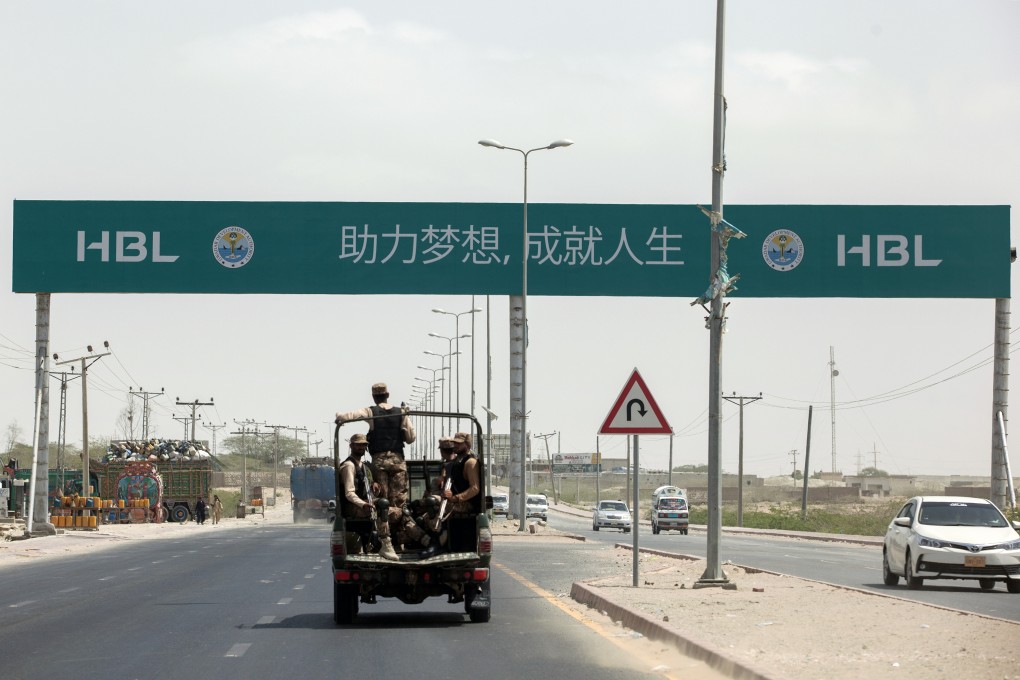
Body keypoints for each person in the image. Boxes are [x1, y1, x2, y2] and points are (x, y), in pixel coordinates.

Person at [336, 382, 416, 547]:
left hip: (379, 461)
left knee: (382, 503)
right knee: (399, 505)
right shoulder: (401, 412)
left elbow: (349, 416)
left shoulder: (370, 411)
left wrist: (340, 416)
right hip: (398, 461)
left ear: (374, 396)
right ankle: (400, 542)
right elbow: (410, 439)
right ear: (388, 395)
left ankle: (384, 542)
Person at [338, 433, 396, 560]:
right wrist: (362, 504)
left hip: (365, 503)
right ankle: (385, 544)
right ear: (351, 446)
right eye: (358, 445)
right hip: (352, 506)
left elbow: (369, 489)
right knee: (382, 504)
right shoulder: (349, 466)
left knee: (398, 512)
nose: (361, 447)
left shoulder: (364, 466)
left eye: (364, 445)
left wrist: (375, 485)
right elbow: (349, 493)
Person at [444, 432, 480, 515]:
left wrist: (456, 498)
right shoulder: (457, 461)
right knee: (419, 505)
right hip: (454, 500)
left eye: (459, 443)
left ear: (467, 444)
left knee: (433, 505)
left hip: (466, 503)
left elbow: (475, 488)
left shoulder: (470, 462)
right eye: (454, 442)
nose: (455, 445)